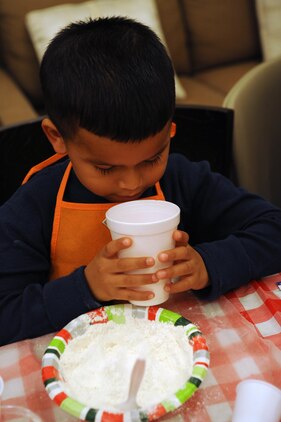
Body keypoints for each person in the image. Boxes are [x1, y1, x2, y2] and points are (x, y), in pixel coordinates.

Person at [1, 17, 281, 346]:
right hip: (82, 361)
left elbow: (273, 228)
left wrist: (207, 263)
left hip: (176, 348)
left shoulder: (183, 179)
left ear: (170, 134)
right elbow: (6, 314)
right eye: (105, 168)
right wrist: (87, 288)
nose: (131, 184)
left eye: (151, 159)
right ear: (56, 137)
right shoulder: (34, 206)